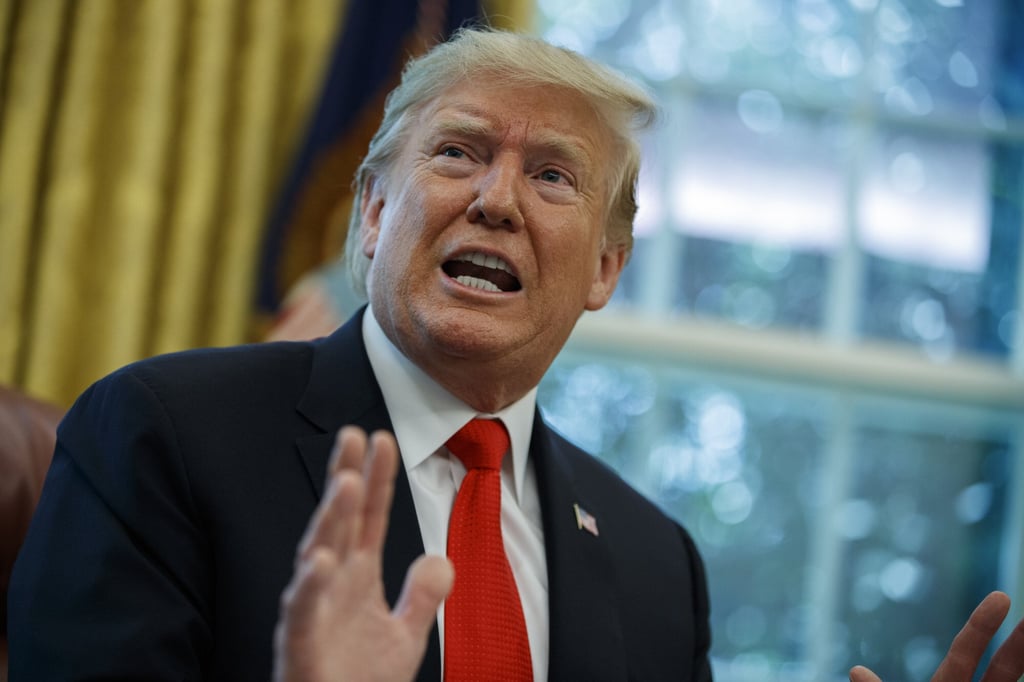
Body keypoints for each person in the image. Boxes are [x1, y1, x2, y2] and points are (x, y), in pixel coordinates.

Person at [6, 28, 1023, 682]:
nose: (494, 199)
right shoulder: (163, 436)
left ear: (604, 270)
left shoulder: (652, 562)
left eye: (550, 176)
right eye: (457, 152)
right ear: (371, 214)